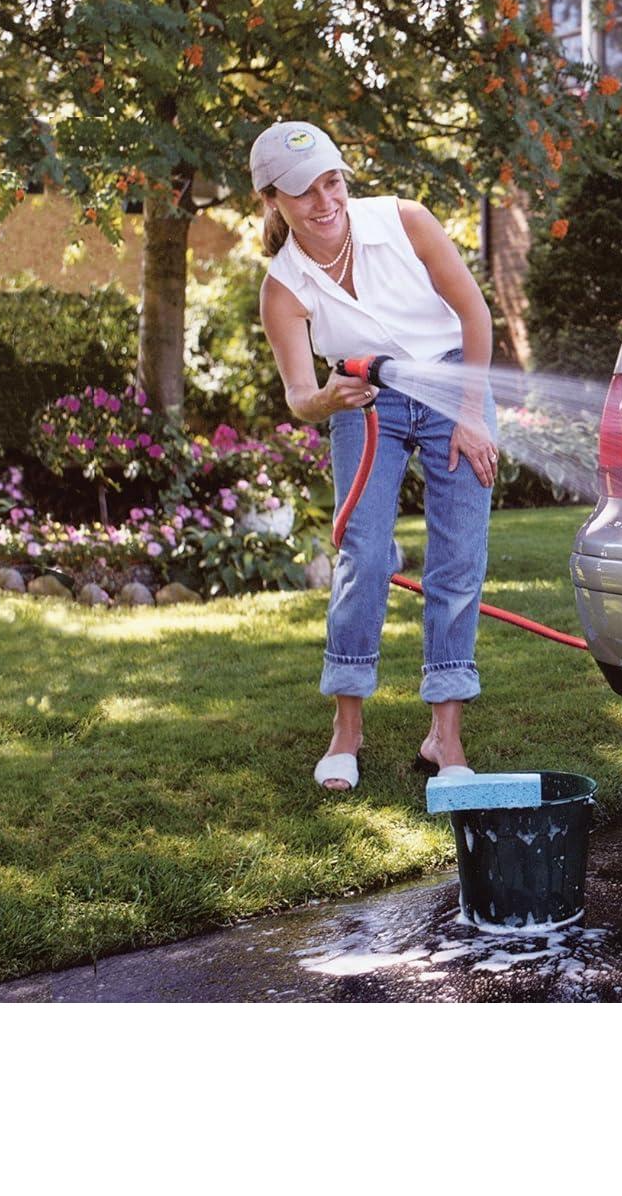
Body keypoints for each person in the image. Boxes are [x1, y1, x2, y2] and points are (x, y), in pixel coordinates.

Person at [251, 120, 498, 792]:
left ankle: (444, 737)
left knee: (459, 558)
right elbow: (300, 395)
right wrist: (330, 399)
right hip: (365, 401)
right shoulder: (284, 288)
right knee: (364, 554)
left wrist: (471, 415)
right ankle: (347, 730)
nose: (324, 200)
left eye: (331, 181)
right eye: (303, 191)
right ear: (272, 199)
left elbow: (476, 315)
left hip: (452, 383)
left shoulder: (405, 221)